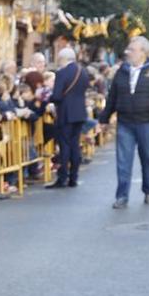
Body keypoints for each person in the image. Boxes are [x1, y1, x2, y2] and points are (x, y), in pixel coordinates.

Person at [98, 33, 149, 207]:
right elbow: (112, 97)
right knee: (123, 160)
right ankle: (122, 196)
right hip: (125, 122)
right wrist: (104, 119)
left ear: (143, 52)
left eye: (132, 49)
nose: (128, 52)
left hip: (147, 122)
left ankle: (148, 189)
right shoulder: (122, 72)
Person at [48, 29, 91, 188]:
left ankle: (62, 177)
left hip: (65, 113)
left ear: (63, 58)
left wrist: (50, 99)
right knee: (75, 145)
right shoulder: (84, 72)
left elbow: (57, 96)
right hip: (80, 112)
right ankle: (74, 177)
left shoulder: (62, 73)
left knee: (64, 146)